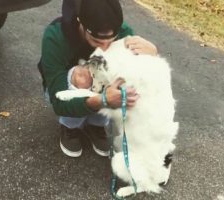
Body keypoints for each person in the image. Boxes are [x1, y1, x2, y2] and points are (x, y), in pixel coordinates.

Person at [39, 0, 157, 158]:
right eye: (97, 41)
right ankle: (70, 127)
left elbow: (141, 81)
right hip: (64, 89)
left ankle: (96, 124)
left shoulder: (123, 33)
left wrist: (152, 56)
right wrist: (102, 101)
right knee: (83, 77)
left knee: (119, 78)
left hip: (102, 89)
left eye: (111, 41)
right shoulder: (55, 36)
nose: (104, 49)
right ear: (80, 22)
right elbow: (58, 102)